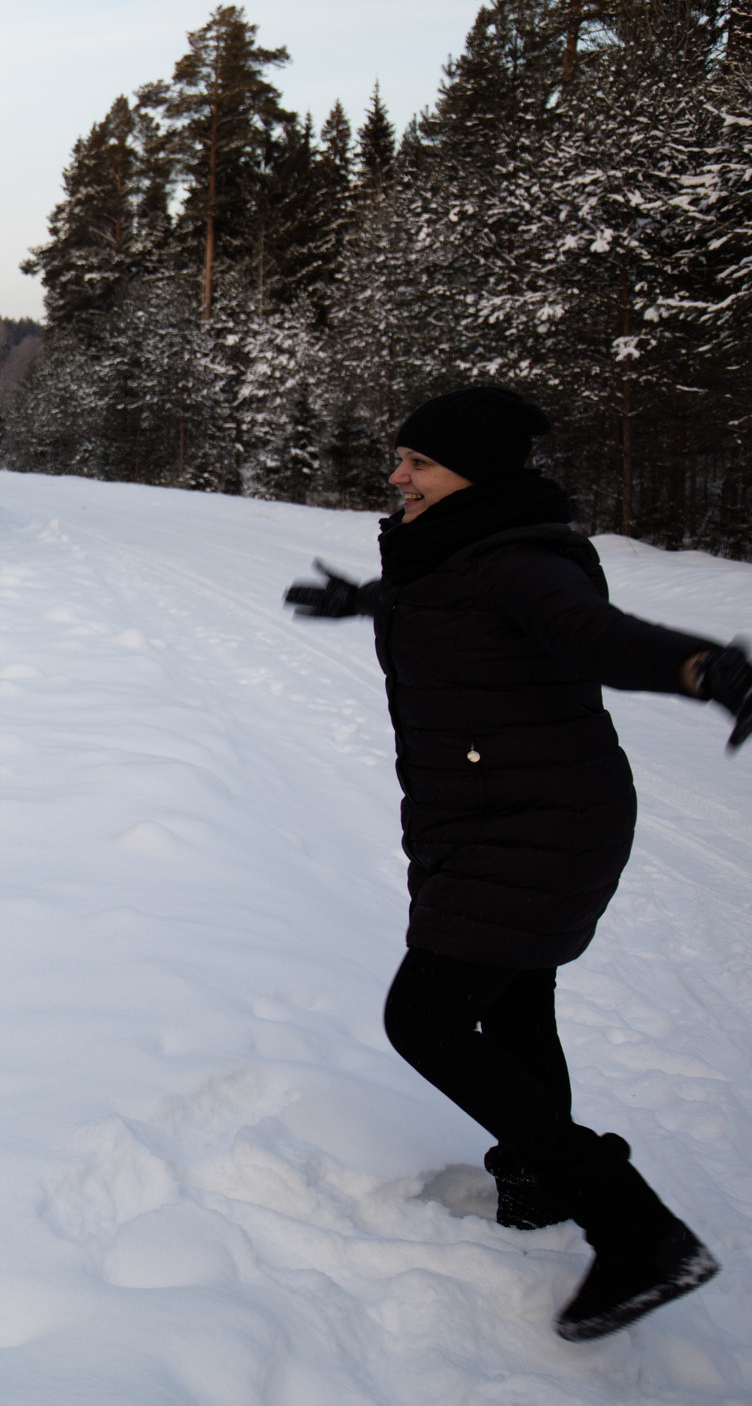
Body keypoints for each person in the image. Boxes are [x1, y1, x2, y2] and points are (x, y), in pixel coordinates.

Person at [283, 384, 752, 1342]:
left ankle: (638, 1230)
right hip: (499, 813)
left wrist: (705, 669)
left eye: (417, 462)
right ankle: (537, 1186)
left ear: (474, 476)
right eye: (399, 457)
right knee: (515, 997)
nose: (396, 475)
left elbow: (595, 636)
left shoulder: (524, 563)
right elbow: (454, 598)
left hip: (540, 823)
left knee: (425, 1018)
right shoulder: (460, 551)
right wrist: (364, 601)